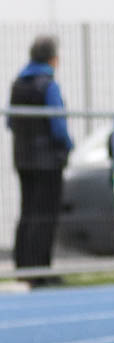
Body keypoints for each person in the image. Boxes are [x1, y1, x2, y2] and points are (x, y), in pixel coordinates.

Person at [8, 36, 73, 270]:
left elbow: (10, 122)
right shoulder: (49, 85)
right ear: (53, 59)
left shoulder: (17, 85)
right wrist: (69, 145)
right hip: (48, 162)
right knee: (45, 216)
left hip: (23, 159)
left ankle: (23, 266)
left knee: (27, 212)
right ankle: (41, 269)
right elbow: (58, 126)